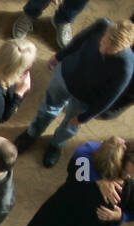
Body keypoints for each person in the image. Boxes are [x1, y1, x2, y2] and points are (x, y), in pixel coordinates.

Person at [15, 19, 134, 168]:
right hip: (65, 75)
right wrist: (59, 56)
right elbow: (78, 40)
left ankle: (56, 144)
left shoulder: (127, 66)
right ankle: (32, 133)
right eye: (103, 43)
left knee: (70, 125)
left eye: (110, 51)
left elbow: (109, 98)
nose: (103, 50)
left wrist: (85, 117)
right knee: (48, 106)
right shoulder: (101, 24)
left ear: (122, 49)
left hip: (85, 98)